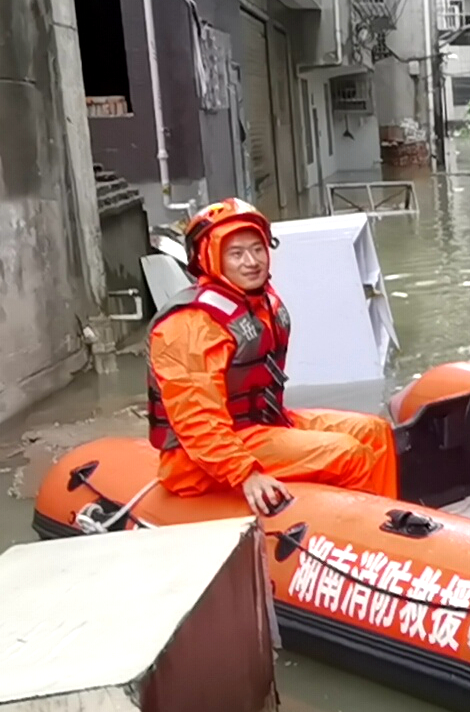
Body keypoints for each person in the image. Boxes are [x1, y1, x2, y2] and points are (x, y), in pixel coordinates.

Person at [147, 199, 396, 513]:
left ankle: (391, 523)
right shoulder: (189, 324)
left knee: (376, 432)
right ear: (210, 258)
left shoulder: (259, 301)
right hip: (198, 460)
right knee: (347, 453)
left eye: (258, 249)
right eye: (236, 253)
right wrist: (245, 473)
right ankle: (366, 536)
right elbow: (197, 419)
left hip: (264, 425)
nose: (251, 261)